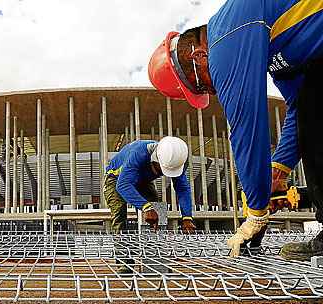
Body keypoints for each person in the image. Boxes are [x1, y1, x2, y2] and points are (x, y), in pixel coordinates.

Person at [148, 0, 323, 259]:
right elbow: (300, 108)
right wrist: (280, 168)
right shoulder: (278, 49)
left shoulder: (224, 38)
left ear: (198, 57)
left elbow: (247, 126)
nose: (213, 91)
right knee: (314, 101)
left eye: (203, 87)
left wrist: (256, 212)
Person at [104, 137, 196, 233]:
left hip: (143, 180)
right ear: (155, 160)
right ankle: (120, 245)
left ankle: (152, 243)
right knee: (119, 213)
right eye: (163, 170)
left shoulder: (176, 161)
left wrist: (187, 217)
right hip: (115, 179)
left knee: (156, 209)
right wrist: (146, 207)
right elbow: (123, 185)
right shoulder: (139, 153)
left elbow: (183, 189)